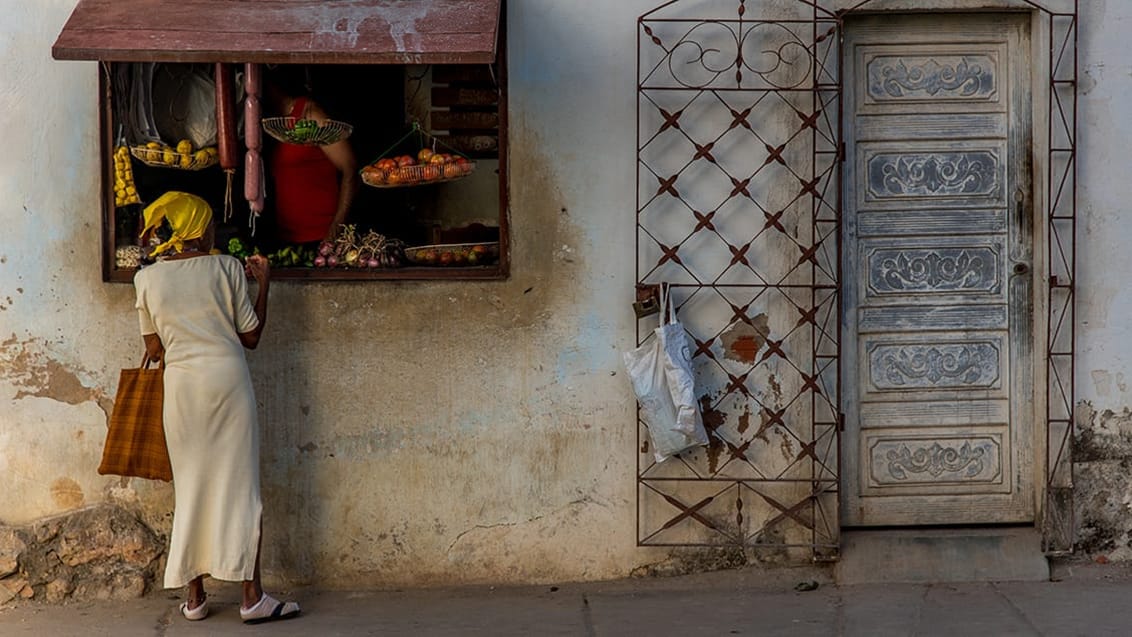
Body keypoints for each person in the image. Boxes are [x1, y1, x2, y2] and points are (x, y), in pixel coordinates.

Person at [133, 191, 300, 624]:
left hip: (182, 392)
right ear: (197, 228)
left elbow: (153, 348)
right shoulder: (226, 267)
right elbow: (251, 337)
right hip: (227, 386)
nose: (211, 231)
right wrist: (264, 284)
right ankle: (252, 597)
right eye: (207, 223)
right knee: (240, 490)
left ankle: (194, 598)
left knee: (190, 488)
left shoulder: (147, 280)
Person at [264, 65, 358, 248]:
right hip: (287, 237)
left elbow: (351, 169)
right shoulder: (270, 121)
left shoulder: (310, 115)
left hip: (321, 235)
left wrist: (335, 230)